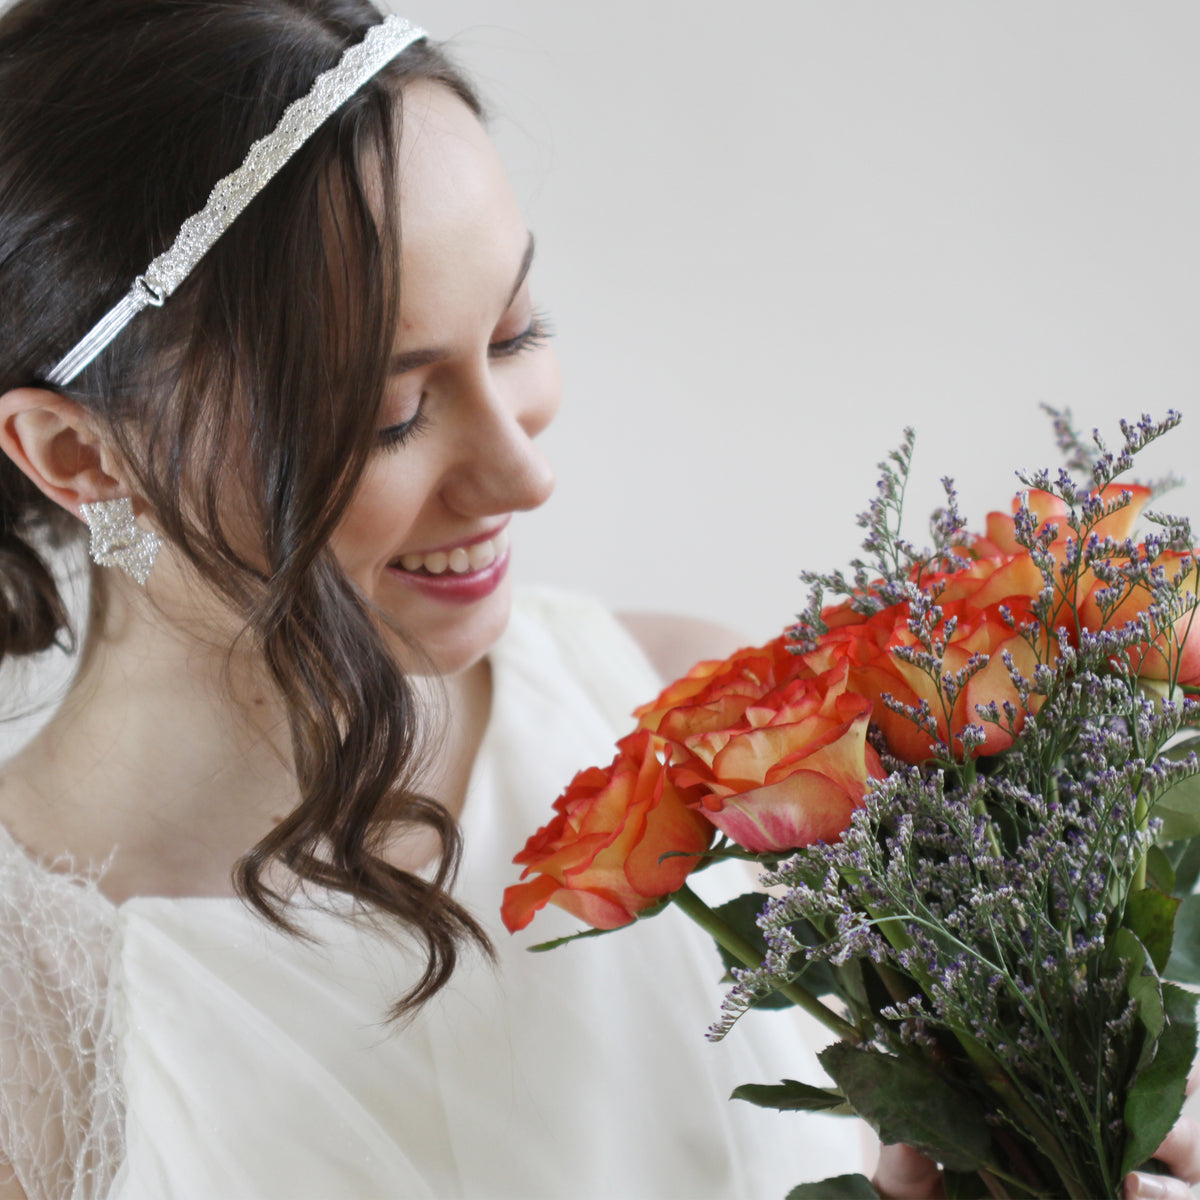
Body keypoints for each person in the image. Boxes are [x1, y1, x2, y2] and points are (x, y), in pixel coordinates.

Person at [0, 3, 1194, 1199]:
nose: (526, 475)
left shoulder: (735, 740)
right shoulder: (24, 1026)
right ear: (78, 457)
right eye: (389, 415)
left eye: (519, 334)